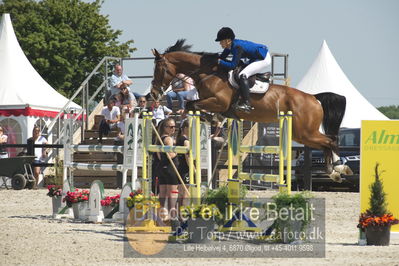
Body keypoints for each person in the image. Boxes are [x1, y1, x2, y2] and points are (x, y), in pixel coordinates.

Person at [215, 27, 271, 113]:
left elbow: (233, 65)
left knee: (243, 74)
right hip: (254, 58)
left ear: (228, 40)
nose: (219, 43)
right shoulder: (229, 47)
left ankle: (247, 104)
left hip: (263, 58)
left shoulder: (237, 47)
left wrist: (220, 62)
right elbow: (221, 57)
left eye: (221, 41)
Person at [156, 118, 179, 214]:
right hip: (170, 168)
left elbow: (158, 155)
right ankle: (172, 216)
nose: (173, 129)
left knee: (163, 194)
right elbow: (170, 155)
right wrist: (177, 151)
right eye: (171, 127)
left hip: (162, 168)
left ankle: (161, 216)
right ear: (165, 128)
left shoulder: (159, 138)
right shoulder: (168, 139)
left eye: (174, 127)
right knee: (172, 194)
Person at [176, 120, 190, 207]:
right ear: (185, 128)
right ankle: (183, 214)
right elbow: (187, 157)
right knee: (185, 193)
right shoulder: (186, 141)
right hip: (185, 169)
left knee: (181, 193)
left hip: (179, 167)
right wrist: (193, 169)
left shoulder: (179, 139)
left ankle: (179, 214)